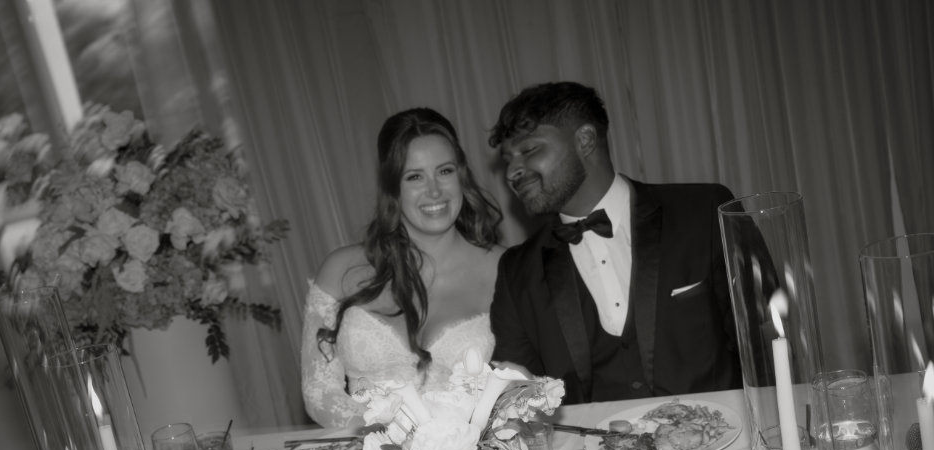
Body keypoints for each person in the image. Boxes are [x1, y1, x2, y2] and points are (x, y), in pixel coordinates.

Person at [488, 81, 742, 404]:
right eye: (508, 159)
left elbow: (767, 341)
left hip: (725, 446)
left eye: (529, 150)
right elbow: (518, 399)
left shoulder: (705, 212)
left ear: (585, 140)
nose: (512, 171)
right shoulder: (517, 272)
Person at [302, 107, 505, 428]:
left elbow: (520, 384)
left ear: (462, 175)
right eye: (414, 176)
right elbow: (319, 394)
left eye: (445, 171)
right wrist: (392, 442)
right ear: (392, 188)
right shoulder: (340, 271)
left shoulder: (503, 269)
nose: (434, 191)